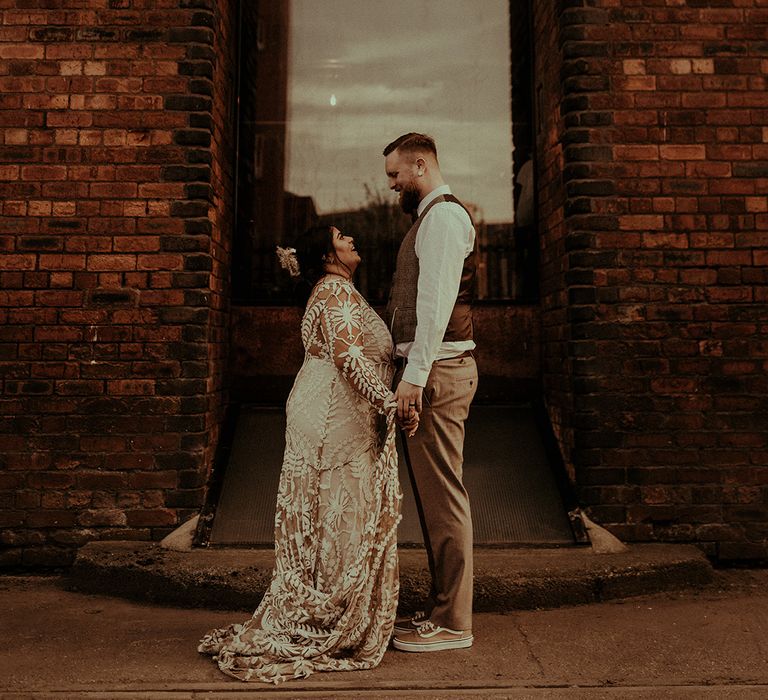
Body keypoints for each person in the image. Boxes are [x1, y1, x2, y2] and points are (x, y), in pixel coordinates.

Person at [198, 225, 415, 683]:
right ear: (325, 254)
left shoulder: (336, 289)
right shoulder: (334, 290)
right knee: (338, 513)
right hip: (334, 417)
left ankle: (326, 607)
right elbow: (347, 357)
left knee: (326, 514)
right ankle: (328, 616)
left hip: (331, 411)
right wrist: (389, 403)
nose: (352, 237)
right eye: (341, 236)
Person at [383, 132, 478, 652]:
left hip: (438, 373)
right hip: (434, 370)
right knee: (435, 499)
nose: (393, 184)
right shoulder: (430, 219)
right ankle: (444, 610)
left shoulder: (442, 218)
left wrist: (413, 378)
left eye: (396, 174)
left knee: (445, 500)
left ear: (420, 165)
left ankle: (454, 624)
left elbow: (437, 306)